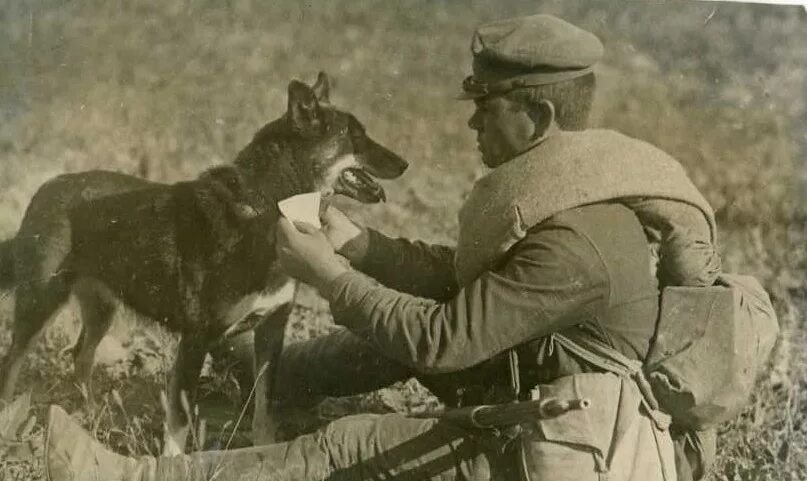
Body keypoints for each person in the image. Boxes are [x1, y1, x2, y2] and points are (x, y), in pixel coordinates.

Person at [45, 13, 721, 481]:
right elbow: (463, 281)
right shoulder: (577, 192)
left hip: (568, 454)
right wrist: (363, 246)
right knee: (374, 342)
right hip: (541, 381)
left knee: (350, 441)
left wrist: (332, 274)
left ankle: (129, 472)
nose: (470, 120)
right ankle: (257, 378)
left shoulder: (576, 240)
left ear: (537, 117)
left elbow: (443, 338)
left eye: (486, 108)